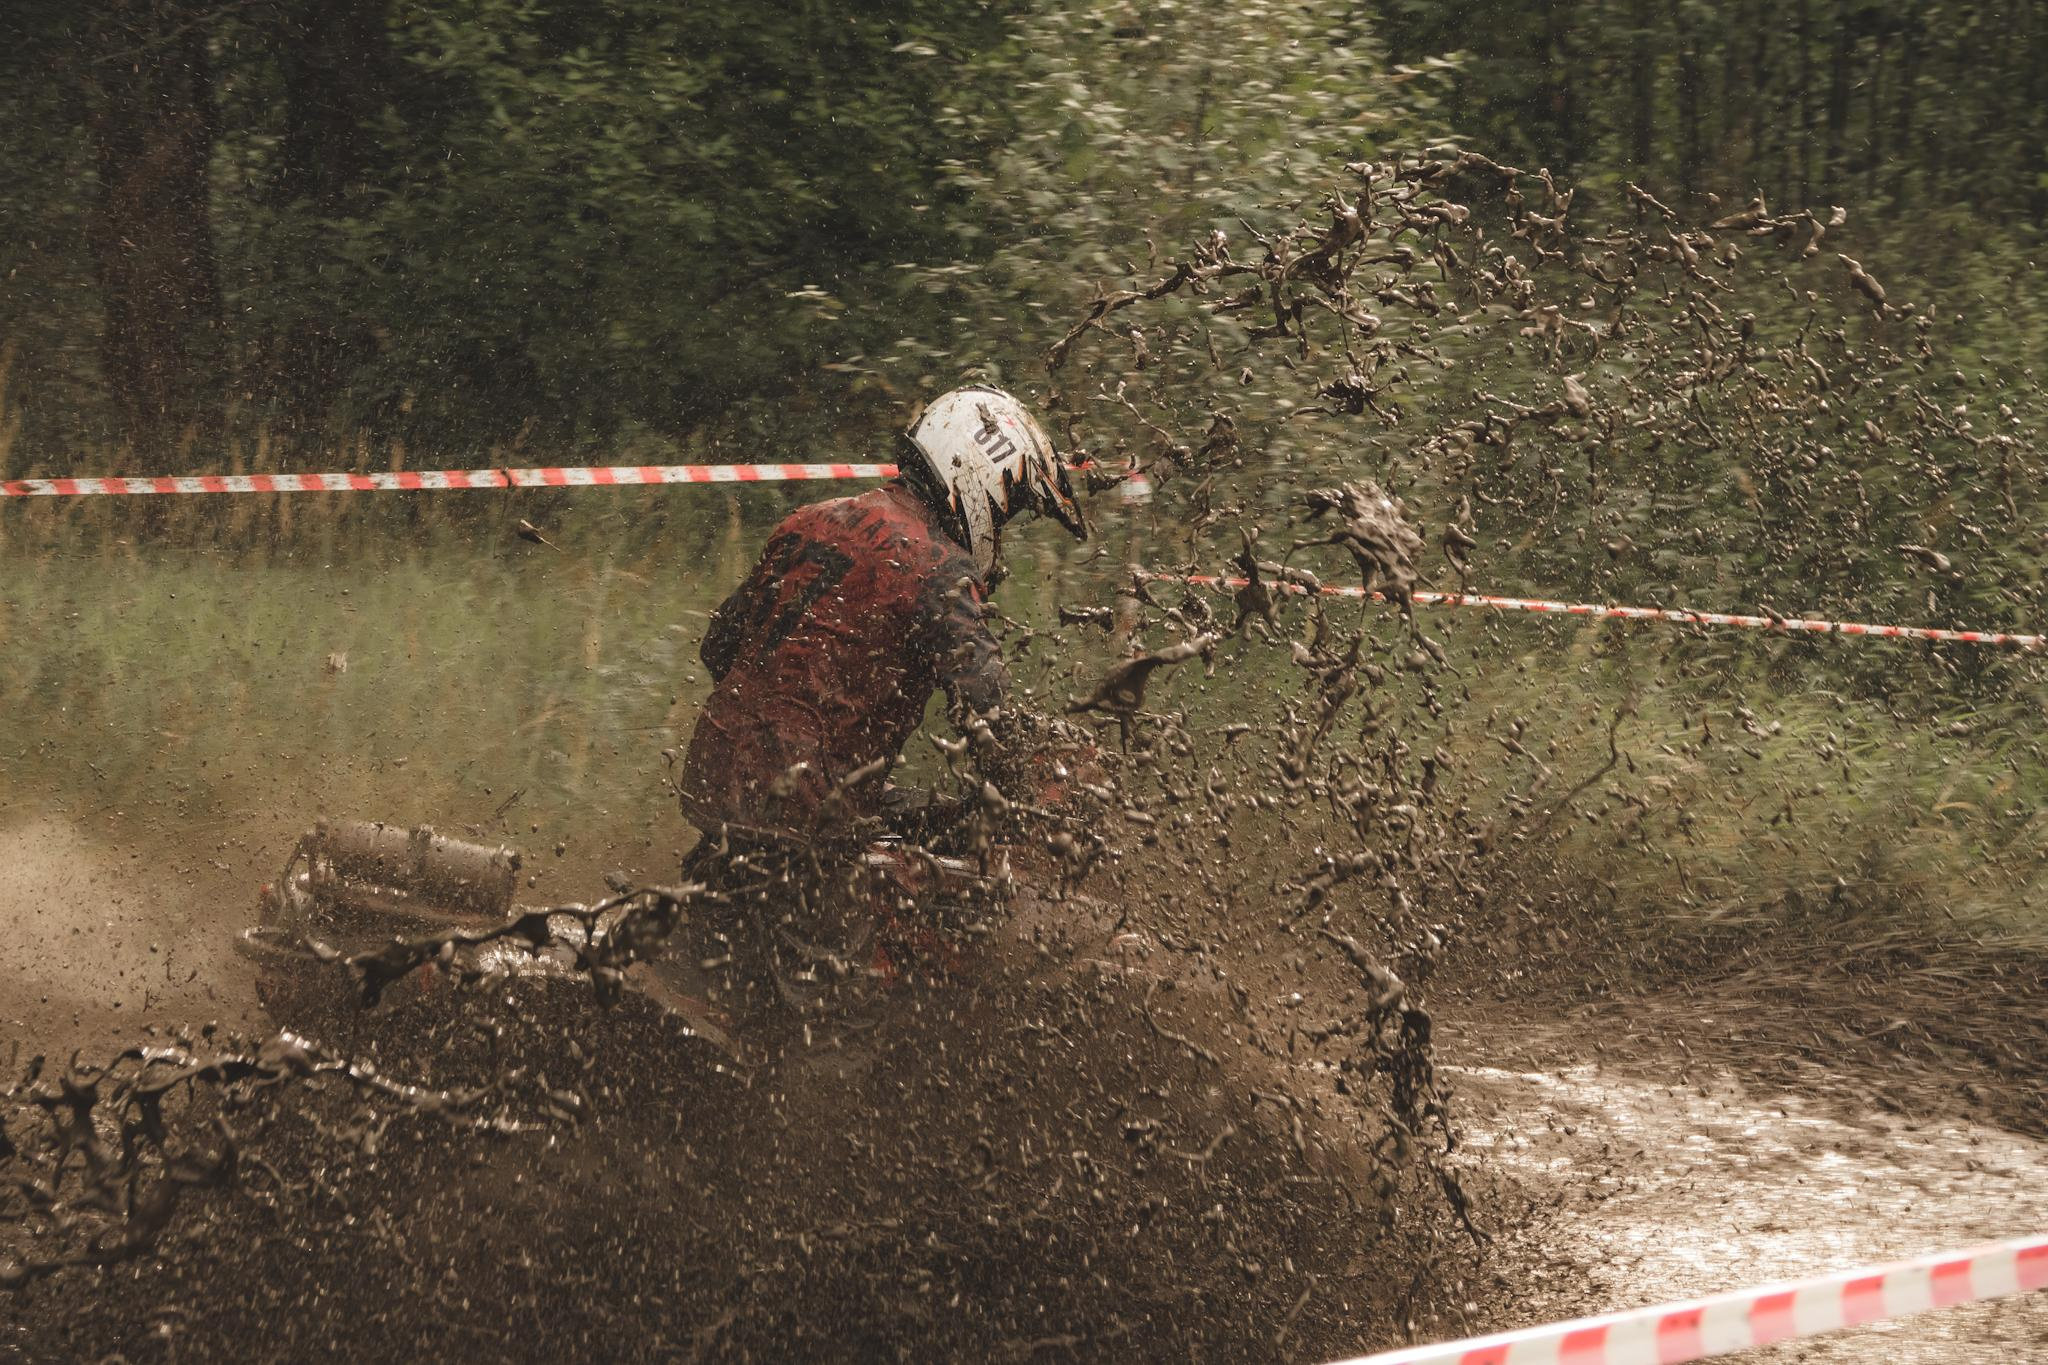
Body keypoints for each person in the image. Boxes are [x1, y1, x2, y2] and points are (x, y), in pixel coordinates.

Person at [674, 384, 1088, 1023]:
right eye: (1005, 516)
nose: (998, 538)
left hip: (720, 786)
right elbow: (991, 715)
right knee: (872, 1002)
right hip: (804, 818)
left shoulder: (808, 520)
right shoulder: (936, 569)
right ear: (980, 479)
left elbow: (717, 646)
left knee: (923, 821)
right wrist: (1044, 789)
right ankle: (822, 1092)